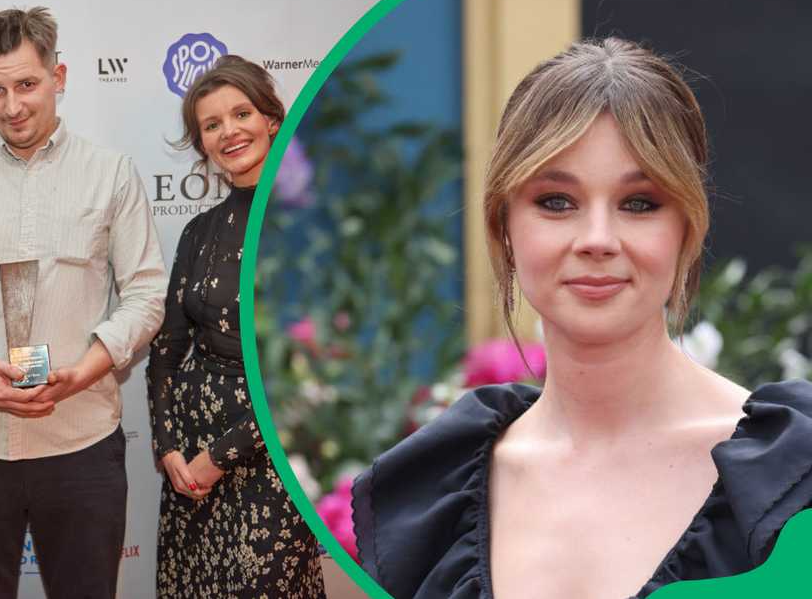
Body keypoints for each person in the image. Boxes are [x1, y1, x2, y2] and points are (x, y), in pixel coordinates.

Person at [352, 37, 812, 599]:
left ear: (688, 227)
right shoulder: (425, 503)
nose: (597, 240)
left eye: (639, 203)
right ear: (504, 225)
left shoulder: (795, 475)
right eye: (556, 202)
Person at [0, 6, 166, 599]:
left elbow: (146, 296)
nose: (12, 106)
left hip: (80, 441)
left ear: (58, 77)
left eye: (26, 85)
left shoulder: (111, 174)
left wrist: (82, 372)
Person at [147, 55, 326, 598]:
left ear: (272, 118)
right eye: (212, 124)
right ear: (201, 143)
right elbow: (166, 350)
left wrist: (217, 458)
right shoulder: (200, 232)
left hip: (268, 461)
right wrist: (170, 447)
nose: (229, 132)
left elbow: (307, 376)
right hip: (191, 471)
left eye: (240, 113)